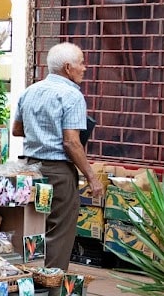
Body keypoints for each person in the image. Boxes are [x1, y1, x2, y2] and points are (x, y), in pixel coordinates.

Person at [12, 42, 105, 272]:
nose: (84, 68)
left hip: (31, 168)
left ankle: (27, 279)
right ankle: (51, 286)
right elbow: (71, 142)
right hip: (58, 172)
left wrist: (41, 132)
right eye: (81, 63)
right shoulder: (72, 96)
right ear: (67, 67)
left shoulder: (30, 91)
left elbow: (16, 130)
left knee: (32, 227)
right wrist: (91, 177)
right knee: (59, 232)